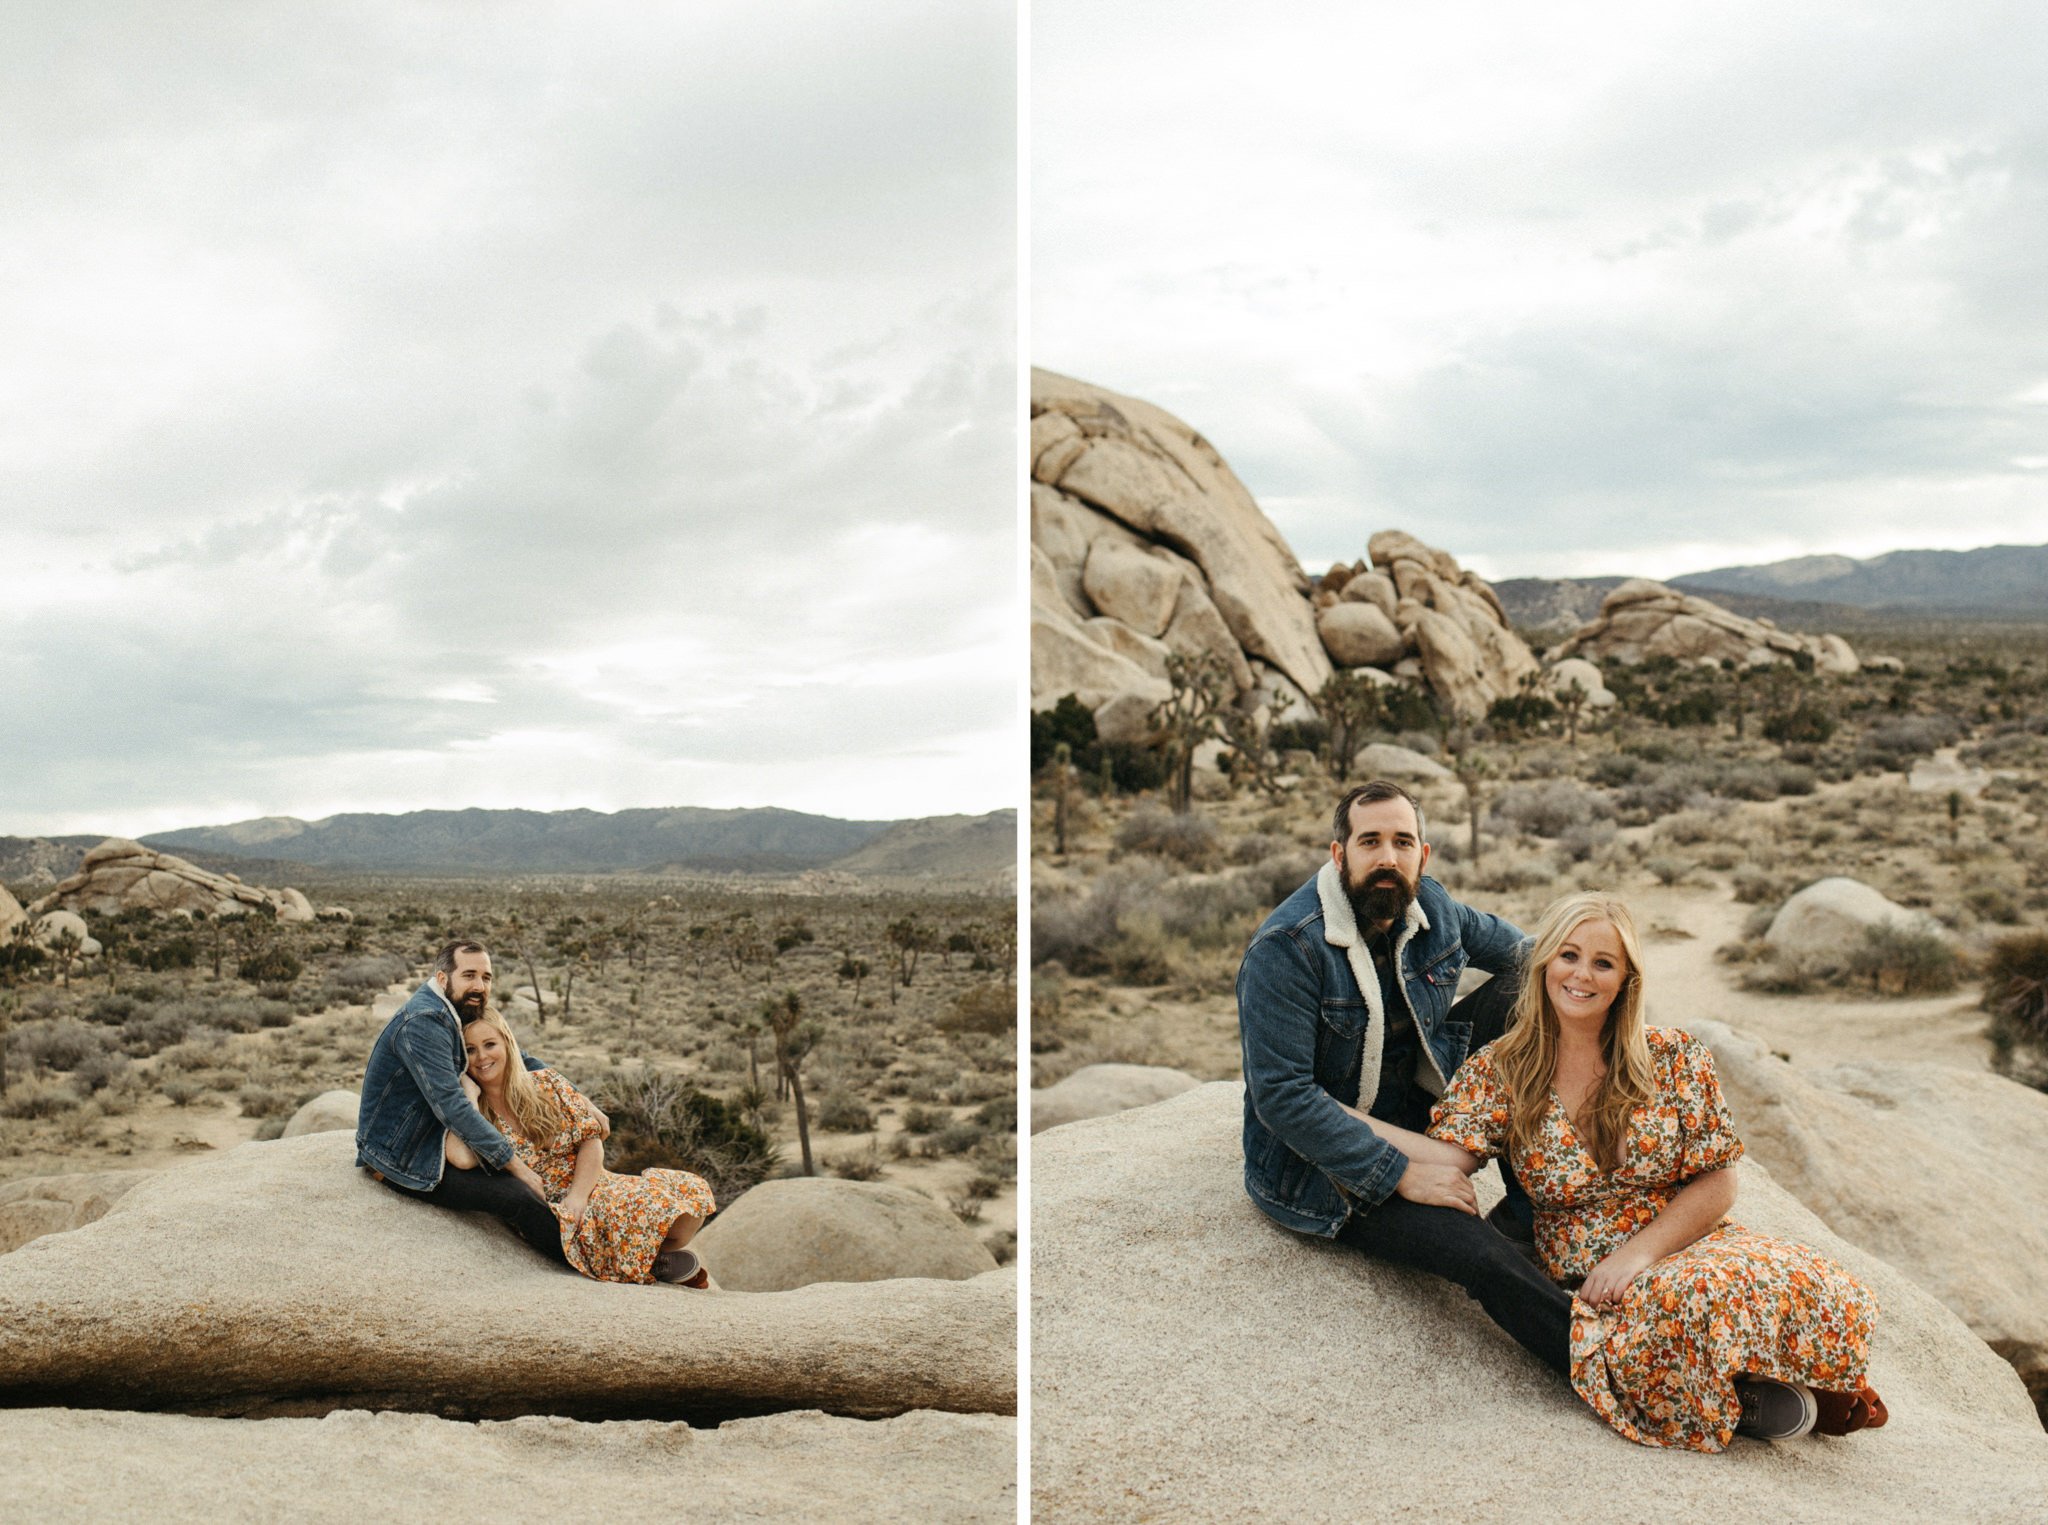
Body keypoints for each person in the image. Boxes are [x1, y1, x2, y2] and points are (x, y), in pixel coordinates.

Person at [1410, 890, 1885, 1448]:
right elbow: (1448, 1155)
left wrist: (1635, 1255)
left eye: (1602, 962)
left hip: (1679, 1244)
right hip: (1587, 1274)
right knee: (1672, 1308)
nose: (1581, 974)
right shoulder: (1502, 1070)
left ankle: (1774, 1380)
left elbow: (1718, 1179)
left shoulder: (1673, 1055)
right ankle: (1747, 1396)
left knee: (1811, 1279)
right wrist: (1330, 1114)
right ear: (1542, 965)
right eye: (1568, 955)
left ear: (1625, 978)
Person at [1237, 780, 1576, 1377]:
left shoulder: (1435, 908)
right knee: (1476, 1254)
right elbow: (1281, 1097)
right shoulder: (1287, 948)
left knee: (1538, 990)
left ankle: (1525, 1213)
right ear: (1339, 854)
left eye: (1402, 841)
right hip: (1322, 1159)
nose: (1388, 857)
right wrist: (1401, 1173)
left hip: (1415, 1105)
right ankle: (1610, 1361)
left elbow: (1535, 957)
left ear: (1425, 854)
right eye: (1370, 841)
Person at [450, 1005, 714, 1286]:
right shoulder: (474, 1109)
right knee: (648, 1213)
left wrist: (578, 1196)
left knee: (688, 1208)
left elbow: (591, 1138)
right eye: (470, 1050)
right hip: (547, 1206)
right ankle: (645, 1259)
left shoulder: (545, 1083)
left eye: (489, 1044)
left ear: (507, 1043)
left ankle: (643, 1255)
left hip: (589, 1183)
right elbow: (461, 1158)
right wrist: (468, 1096)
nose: (482, 1057)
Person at [356, 939, 577, 1267]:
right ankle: (587, 1258)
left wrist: (575, 1096)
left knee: (546, 1168)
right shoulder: (424, 1022)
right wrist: (518, 1169)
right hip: (403, 1154)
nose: (479, 986)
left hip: (435, 1131)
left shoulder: (452, 1008)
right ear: (443, 978)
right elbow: (452, 1105)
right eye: (469, 975)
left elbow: (516, 1055)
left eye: (486, 977)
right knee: (518, 1195)